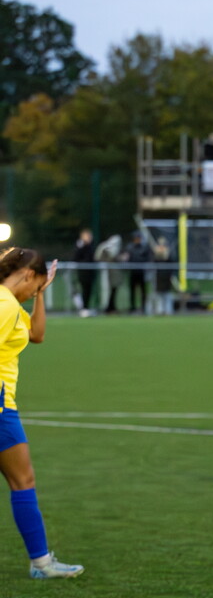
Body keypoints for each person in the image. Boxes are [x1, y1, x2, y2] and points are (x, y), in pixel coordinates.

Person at [0, 248, 84, 579]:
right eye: (35, 287)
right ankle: (42, 564)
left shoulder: (10, 304)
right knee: (23, 480)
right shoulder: (5, 306)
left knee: (23, 480)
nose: (35, 293)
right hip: (1, 406)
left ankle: (42, 563)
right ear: (26, 274)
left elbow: (37, 334)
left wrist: (40, 297)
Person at [94, 234, 123, 314]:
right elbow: (98, 257)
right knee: (105, 290)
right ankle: (106, 307)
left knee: (113, 291)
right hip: (105, 273)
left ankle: (111, 307)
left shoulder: (115, 249)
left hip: (114, 275)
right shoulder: (104, 247)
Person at [124, 232, 152, 313]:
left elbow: (147, 259)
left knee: (143, 291)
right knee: (132, 290)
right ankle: (132, 307)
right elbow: (128, 259)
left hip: (141, 272)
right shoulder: (130, 247)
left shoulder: (144, 247)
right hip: (133, 272)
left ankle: (144, 307)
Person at [72, 228, 96, 317]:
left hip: (90, 272)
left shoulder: (91, 247)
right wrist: (82, 246)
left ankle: (86, 307)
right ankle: (83, 308)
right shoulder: (80, 246)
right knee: (84, 289)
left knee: (89, 290)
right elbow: (76, 258)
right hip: (82, 272)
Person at [152, 237, 176, 316]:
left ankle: (168, 311)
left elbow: (171, 261)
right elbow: (154, 261)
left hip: (166, 276)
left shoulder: (169, 254)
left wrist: (166, 253)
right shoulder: (156, 254)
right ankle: (159, 310)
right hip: (158, 276)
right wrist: (157, 253)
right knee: (158, 295)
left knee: (167, 294)